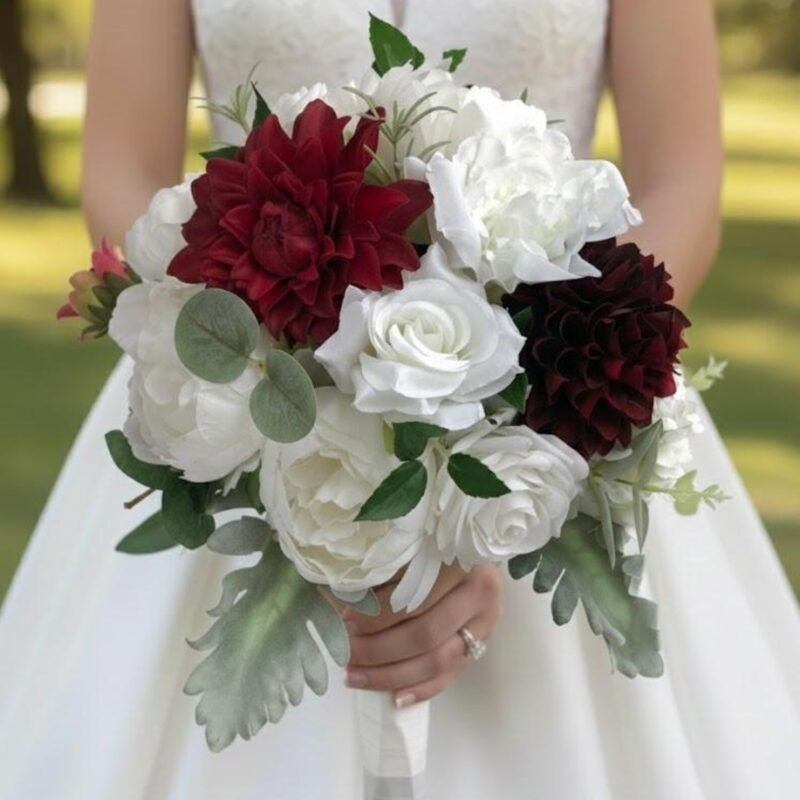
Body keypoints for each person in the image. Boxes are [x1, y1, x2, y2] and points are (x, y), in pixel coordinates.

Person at [1, 1, 799, 798]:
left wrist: (495, 469)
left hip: (564, 391)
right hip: (233, 387)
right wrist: (290, 432)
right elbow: (119, 172)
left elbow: (683, 181)